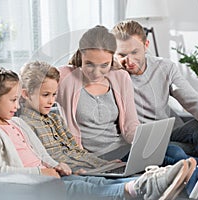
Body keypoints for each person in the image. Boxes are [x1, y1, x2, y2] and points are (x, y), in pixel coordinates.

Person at [0, 66, 194, 200]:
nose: (17, 105)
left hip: (50, 176)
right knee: (83, 187)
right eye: (13, 100)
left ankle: (154, 181)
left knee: (92, 181)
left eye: (17, 99)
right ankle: (145, 187)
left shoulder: (16, 123)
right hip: (32, 184)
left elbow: (38, 152)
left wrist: (54, 165)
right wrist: (42, 172)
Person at [19, 60, 198, 199]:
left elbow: (75, 150)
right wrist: (89, 166)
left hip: (98, 163)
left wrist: (107, 164)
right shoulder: (24, 123)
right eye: (45, 95)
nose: (51, 100)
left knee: (172, 152)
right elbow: (47, 159)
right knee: (156, 173)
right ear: (25, 93)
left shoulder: (53, 117)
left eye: (53, 95)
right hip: (83, 169)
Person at [111, 20, 198, 193]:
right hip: (140, 142)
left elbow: (193, 101)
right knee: (176, 153)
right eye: (121, 55)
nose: (129, 61)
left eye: (134, 52)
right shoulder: (111, 76)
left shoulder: (164, 68)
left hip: (169, 132)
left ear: (146, 45)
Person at [57, 25, 139, 161]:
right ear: (80, 56)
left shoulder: (120, 77)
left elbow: (131, 124)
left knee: (174, 152)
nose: (96, 73)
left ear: (112, 59)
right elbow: (26, 86)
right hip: (92, 159)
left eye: (104, 65)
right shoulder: (65, 76)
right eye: (89, 64)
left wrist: (142, 143)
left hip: (123, 151)